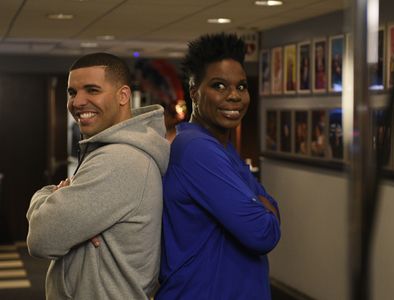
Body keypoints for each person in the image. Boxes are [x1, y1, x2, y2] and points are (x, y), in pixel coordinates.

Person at [26, 52, 170, 299]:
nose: (78, 102)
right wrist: (63, 211)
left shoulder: (120, 160)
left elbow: (41, 238)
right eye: (72, 92)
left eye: (92, 90)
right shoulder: (106, 150)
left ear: (123, 95)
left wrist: (46, 195)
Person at [155, 33, 281, 299]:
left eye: (242, 86)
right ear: (194, 92)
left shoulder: (222, 147)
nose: (234, 96)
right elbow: (264, 232)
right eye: (219, 86)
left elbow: (271, 208)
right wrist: (261, 206)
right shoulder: (196, 149)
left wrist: (265, 207)